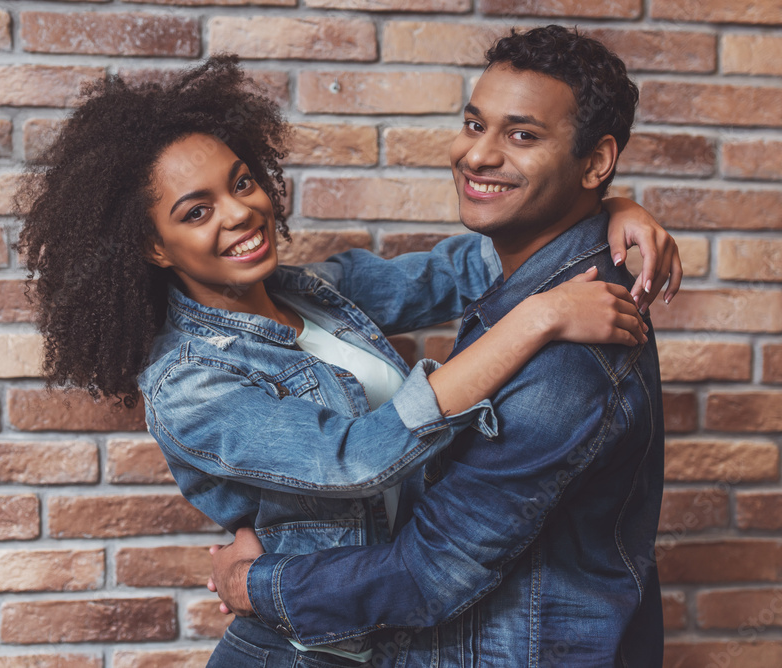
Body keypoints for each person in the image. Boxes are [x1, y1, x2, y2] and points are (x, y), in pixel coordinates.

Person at [13, 54, 677, 666]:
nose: (240, 212)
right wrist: (537, 318)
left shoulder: (312, 292)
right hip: (302, 646)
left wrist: (609, 207)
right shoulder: (190, 382)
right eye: (196, 211)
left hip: (379, 633)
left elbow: (475, 260)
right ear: (155, 248)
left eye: (241, 182)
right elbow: (357, 457)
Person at [210, 26, 667, 667]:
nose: (477, 156)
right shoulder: (541, 286)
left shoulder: (567, 357)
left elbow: (429, 572)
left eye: (522, 135)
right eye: (474, 124)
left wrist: (251, 585)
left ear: (595, 160)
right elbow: (401, 280)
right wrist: (614, 202)